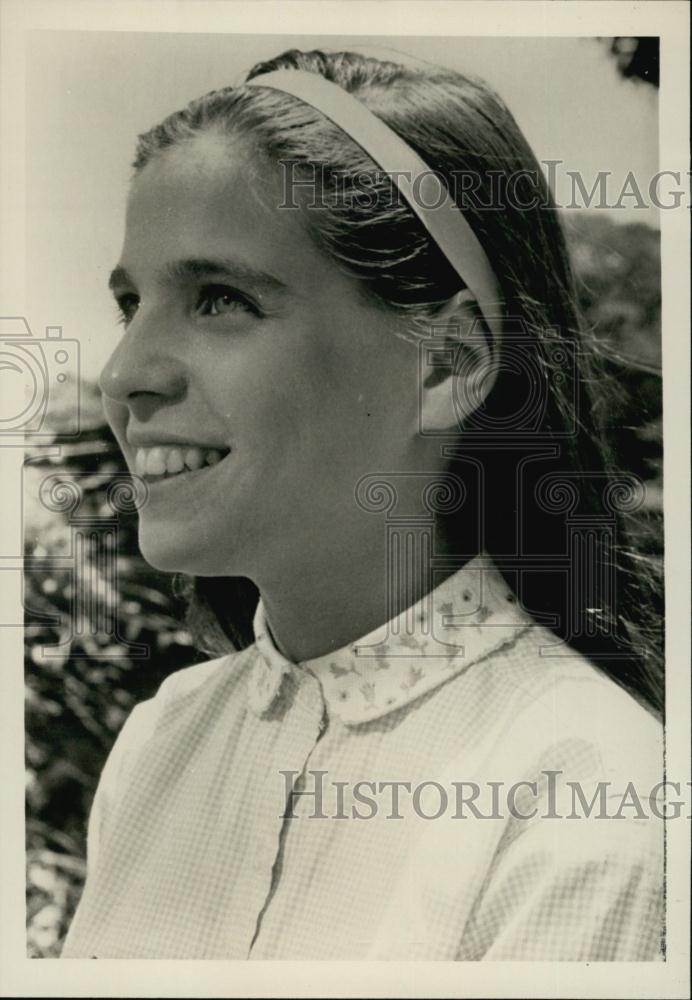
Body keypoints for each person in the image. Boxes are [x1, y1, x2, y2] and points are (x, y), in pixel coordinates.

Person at [61, 48, 664, 960]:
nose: (125, 376)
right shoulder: (161, 743)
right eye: (129, 304)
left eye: (219, 299)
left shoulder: (585, 795)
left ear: (446, 363)